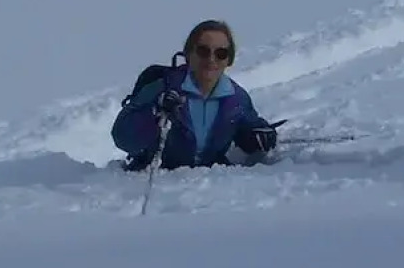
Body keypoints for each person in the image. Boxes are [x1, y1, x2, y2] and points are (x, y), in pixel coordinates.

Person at [111, 19, 279, 170]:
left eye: (220, 53)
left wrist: (260, 135)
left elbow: (248, 125)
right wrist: (154, 114)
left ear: (229, 60)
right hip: (157, 183)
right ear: (189, 54)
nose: (211, 59)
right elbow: (122, 137)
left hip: (209, 189)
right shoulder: (162, 88)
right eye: (203, 51)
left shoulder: (236, 99)